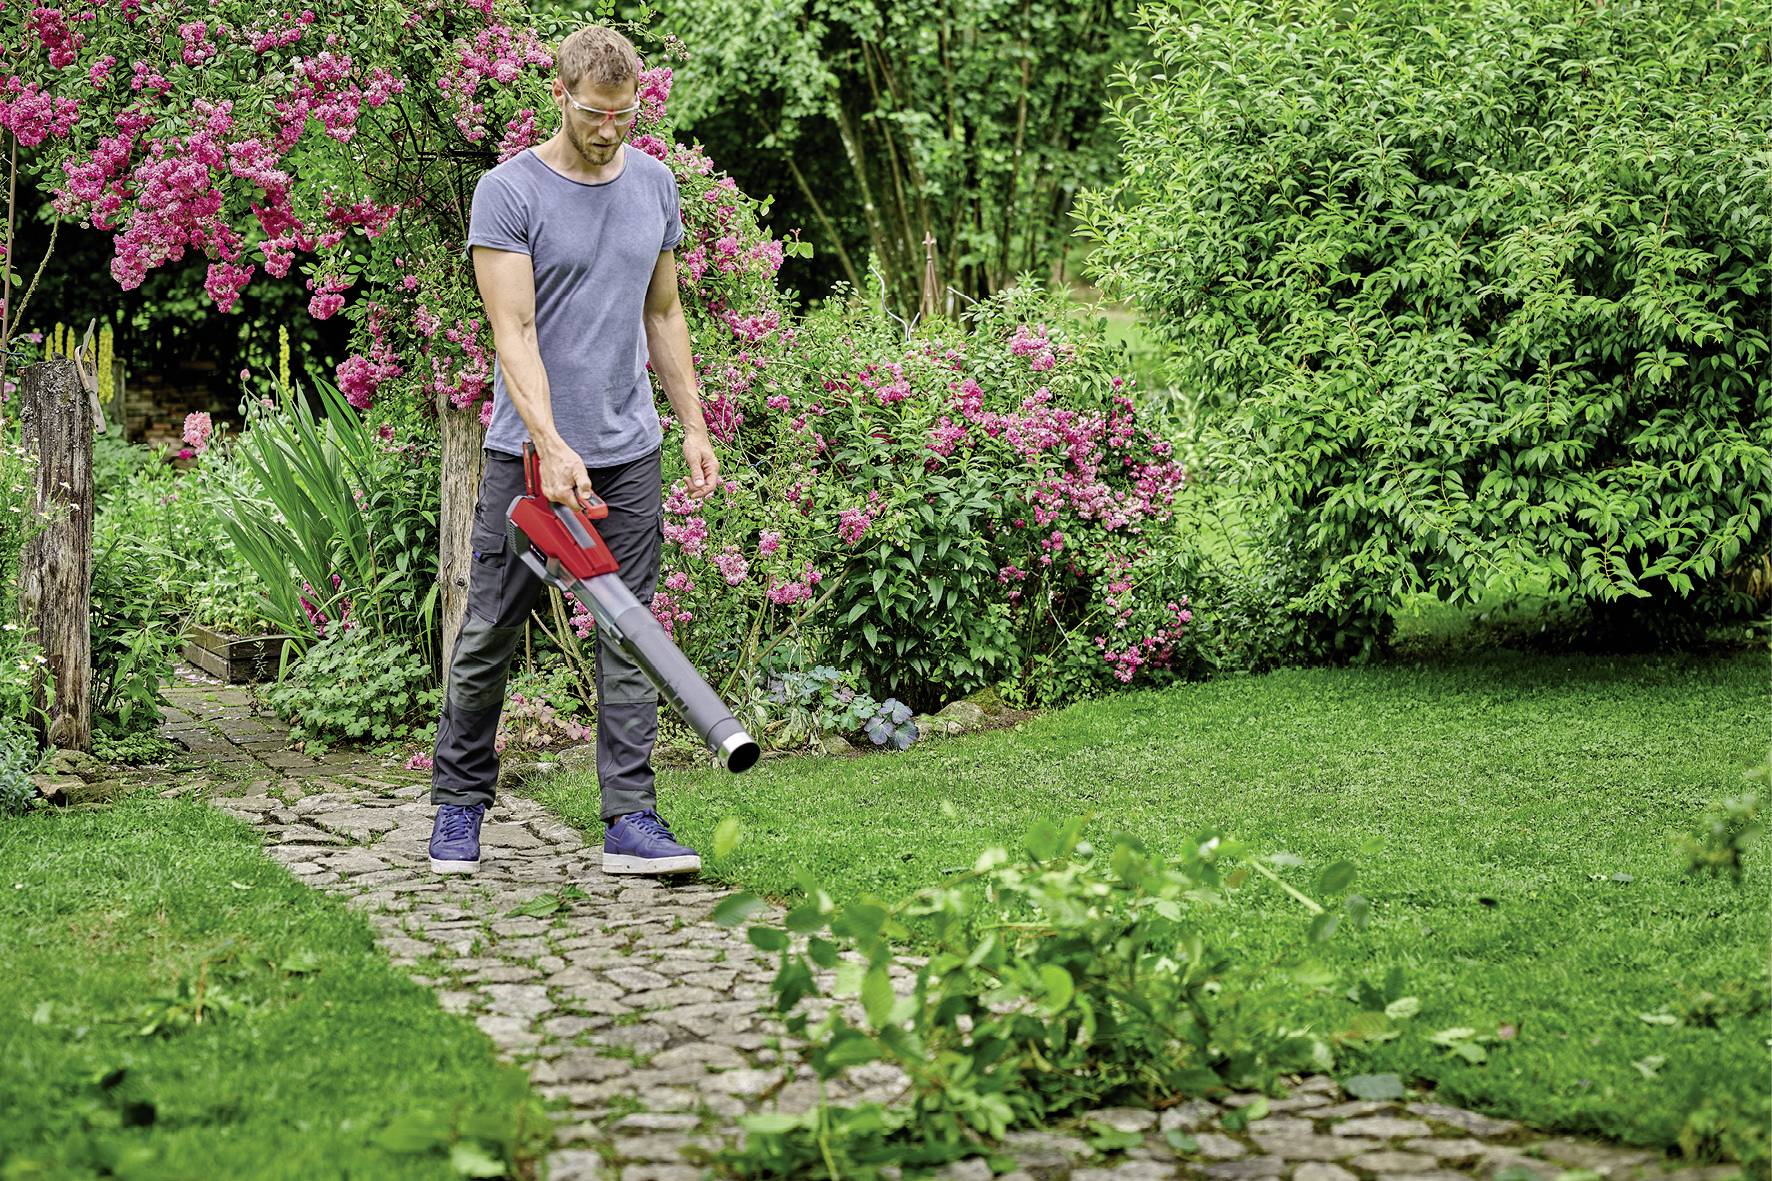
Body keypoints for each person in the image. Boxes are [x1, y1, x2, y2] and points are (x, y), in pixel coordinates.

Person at [425, 25, 720, 878]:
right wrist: (550, 445)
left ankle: (631, 819)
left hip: (629, 453)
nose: (611, 129)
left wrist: (692, 424)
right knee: (489, 634)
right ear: (560, 95)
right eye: (596, 113)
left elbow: (663, 313)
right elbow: (512, 332)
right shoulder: (508, 191)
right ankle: (458, 806)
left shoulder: (656, 184)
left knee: (629, 635)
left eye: (626, 113)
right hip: (530, 462)